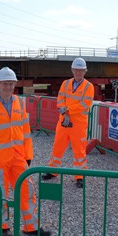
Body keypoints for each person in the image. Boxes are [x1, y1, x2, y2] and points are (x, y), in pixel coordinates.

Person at [0, 67, 51, 236]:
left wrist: (28, 154)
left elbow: (25, 131)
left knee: (28, 190)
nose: (9, 87)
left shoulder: (19, 102)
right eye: (5, 84)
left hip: (18, 158)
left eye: (11, 84)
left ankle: (31, 226)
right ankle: (3, 227)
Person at [42, 57, 95, 188]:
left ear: (85, 71)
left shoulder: (89, 86)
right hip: (64, 121)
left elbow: (84, 104)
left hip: (78, 124)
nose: (78, 72)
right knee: (57, 147)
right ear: (72, 70)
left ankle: (80, 176)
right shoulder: (65, 84)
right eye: (76, 70)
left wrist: (67, 111)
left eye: (81, 70)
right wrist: (64, 112)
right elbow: (60, 98)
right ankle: (53, 171)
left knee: (79, 150)